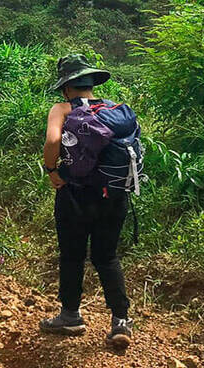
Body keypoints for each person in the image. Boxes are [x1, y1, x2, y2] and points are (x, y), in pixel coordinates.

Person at [39, 54, 133, 348]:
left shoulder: (62, 108)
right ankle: (120, 322)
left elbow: (54, 142)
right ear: (92, 83)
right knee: (106, 256)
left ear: (66, 87)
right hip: (114, 194)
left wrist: (53, 171)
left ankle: (71, 315)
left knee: (72, 255)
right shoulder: (115, 110)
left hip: (75, 196)